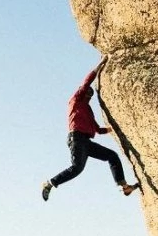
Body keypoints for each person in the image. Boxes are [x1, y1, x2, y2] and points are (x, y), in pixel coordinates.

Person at [42, 66, 138, 200]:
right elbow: (87, 82)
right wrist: (99, 67)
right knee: (77, 168)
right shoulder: (75, 101)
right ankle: (49, 184)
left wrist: (114, 128)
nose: (89, 96)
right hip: (76, 138)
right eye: (87, 93)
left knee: (112, 156)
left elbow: (98, 130)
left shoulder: (88, 110)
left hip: (86, 142)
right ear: (82, 92)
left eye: (91, 95)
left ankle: (124, 186)